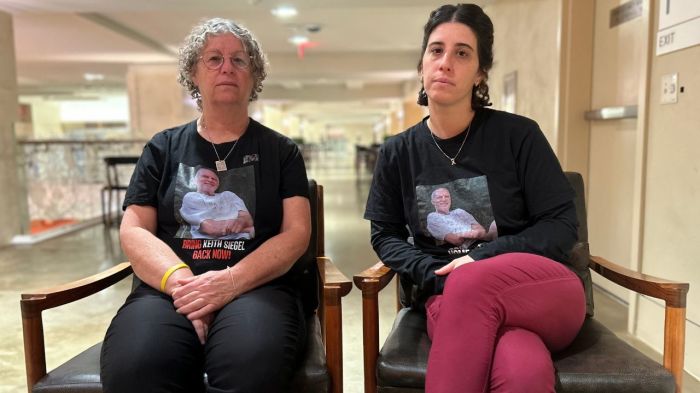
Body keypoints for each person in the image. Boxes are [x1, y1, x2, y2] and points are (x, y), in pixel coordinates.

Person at [364, 4, 586, 393]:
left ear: (481, 72)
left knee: (470, 283)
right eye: (436, 50)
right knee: (522, 370)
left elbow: (562, 225)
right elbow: (385, 234)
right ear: (421, 65)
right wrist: (432, 273)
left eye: (462, 53)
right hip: (446, 295)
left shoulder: (518, 136)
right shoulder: (398, 152)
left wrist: (478, 260)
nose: (445, 63)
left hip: (539, 291)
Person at [100, 18, 311, 393]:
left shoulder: (281, 151)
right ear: (193, 74)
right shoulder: (162, 148)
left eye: (239, 60)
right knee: (136, 367)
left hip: (256, 287)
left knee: (251, 367)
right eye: (213, 59)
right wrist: (185, 286)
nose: (227, 67)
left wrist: (230, 282)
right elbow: (133, 229)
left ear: (254, 76)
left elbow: (296, 233)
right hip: (169, 288)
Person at [179, 165, 254, 239]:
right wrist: (247, 229)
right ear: (195, 180)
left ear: (218, 184)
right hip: (208, 245)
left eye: (214, 179)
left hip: (243, 240)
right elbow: (211, 229)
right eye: (205, 176)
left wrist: (241, 221)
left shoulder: (229, 195)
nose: (210, 180)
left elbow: (247, 219)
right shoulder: (191, 197)